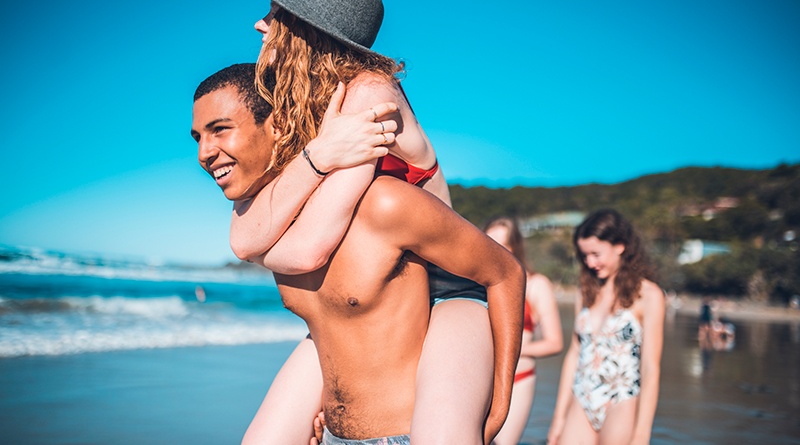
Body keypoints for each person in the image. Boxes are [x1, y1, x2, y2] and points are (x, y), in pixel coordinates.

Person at [233, 0, 518, 444]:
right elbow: (245, 239)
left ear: (305, 28)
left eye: (275, 14)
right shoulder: (308, 115)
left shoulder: (370, 95)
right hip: (374, 304)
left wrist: (265, 247)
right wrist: (265, 235)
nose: (259, 24)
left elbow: (304, 249)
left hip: (445, 295)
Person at [190, 63, 525, 444]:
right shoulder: (273, 226)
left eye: (220, 130)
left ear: (279, 126)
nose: (203, 153)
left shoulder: (383, 202)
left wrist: (499, 406)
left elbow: (504, 272)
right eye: (197, 137)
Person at [548, 209, 664, 445]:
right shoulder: (586, 291)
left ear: (620, 245)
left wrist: (642, 434)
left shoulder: (649, 295)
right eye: (584, 256)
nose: (590, 262)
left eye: (595, 254)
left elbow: (650, 368)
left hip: (621, 399)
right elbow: (574, 354)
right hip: (582, 397)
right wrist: (558, 418)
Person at [483, 217, 563, 445]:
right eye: (488, 241)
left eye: (502, 243)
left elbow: (554, 342)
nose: (493, 248)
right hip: (481, 376)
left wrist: (509, 347)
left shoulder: (537, 284)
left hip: (518, 378)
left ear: (514, 247)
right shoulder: (475, 280)